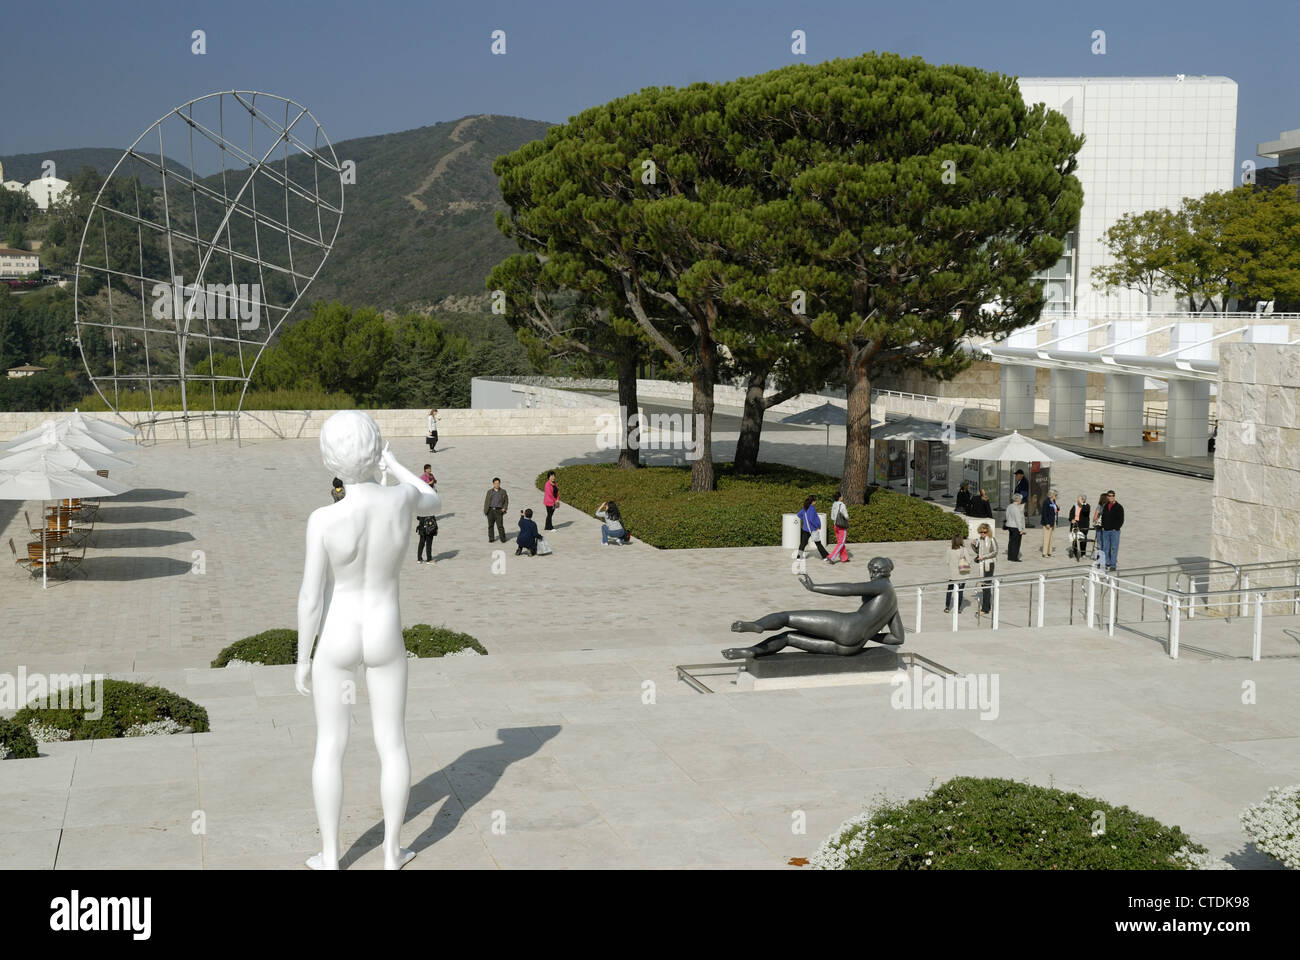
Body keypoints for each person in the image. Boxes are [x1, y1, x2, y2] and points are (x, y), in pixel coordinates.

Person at [295, 411, 441, 871]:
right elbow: (431, 499)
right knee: (392, 744)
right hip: (384, 633)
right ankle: (392, 852)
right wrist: (394, 464)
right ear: (375, 449)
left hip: (338, 636)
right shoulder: (400, 501)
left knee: (329, 747)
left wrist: (303, 657)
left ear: (330, 459)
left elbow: (311, 598)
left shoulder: (323, 518)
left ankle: (331, 856)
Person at [973, 522, 998, 614]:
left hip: (989, 564)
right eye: (981, 532)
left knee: (986, 585)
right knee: (984, 585)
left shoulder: (991, 539)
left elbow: (995, 552)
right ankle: (987, 607)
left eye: (984, 532)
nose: (982, 534)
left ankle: (985, 608)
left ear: (988, 532)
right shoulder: (980, 540)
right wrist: (973, 545)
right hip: (982, 564)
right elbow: (977, 551)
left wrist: (984, 557)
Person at [796, 495, 830, 561]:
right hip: (813, 529)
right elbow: (811, 519)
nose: (816, 502)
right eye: (815, 500)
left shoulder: (805, 508)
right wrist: (817, 526)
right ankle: (825, 556)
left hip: (805, 529)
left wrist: (805, 521)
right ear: (812, 501)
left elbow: (799, 515)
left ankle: (799, 557)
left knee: (803, 543)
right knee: (818, 544)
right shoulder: (812, 508)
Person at [415, 465, 438, 565]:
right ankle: (428, 559)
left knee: (422, 541)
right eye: (428, 468)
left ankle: (420, 558)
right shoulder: (422, 478)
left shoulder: (421, 502)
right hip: (427, 524)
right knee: (427, 542)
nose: (430, 470)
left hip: (423, 523)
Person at [1099, 489, 1125, 573]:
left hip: (1114, 531)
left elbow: (1121, 519)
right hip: (1106, 531)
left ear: (1114, 496)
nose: (1111, 497)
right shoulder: (1105, 506)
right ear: (1107, 497)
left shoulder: (1119, 507)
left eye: (1113, 496)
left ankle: (1113, 565)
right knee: (1105, 548)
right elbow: (1103, 517)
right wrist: (1103, 526)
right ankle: (1107, 563)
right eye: (1109, 496)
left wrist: (1116, 527)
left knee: (1114, 548)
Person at [945, 534, 971, 613]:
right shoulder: (963, 549)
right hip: (962, 574)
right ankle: (959, 608)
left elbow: (947, 562)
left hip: (952, 575)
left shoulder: (949, 549)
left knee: (949, 590)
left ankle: (947, 607)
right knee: (960, 591)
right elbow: (969, 561)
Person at [827, 492, 850, 563]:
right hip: (841, 526)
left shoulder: (834, 504)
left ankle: (844, 558)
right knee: (841, 543)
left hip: (835, 525)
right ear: (840, 497)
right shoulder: (842, 505)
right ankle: (831, 557)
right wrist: (847, 518)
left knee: (840, 542)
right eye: (842, 496)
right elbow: (846, 516)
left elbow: (832, 516)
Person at [483, 477, 508, 543]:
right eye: (495, 483)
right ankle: (491, 538)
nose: (497, 485)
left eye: (498, 483)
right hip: (490, 510)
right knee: (490, 526)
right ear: (493, 484)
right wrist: (486, 511)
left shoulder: (503, 491)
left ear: (499, 483)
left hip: (499, 510)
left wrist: (504, 508)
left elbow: (506, 501)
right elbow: (486, 501)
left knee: (500, 526)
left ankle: (503, 539)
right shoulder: (489, 492)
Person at [1067, 494, 1091, 561]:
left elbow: (1086, 512)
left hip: (1083, 525)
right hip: (1075, 525)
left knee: (1083, 540)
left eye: (1079, 499)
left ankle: (1083, 554)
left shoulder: (1087, 506)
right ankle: (1075, 552)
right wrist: (1071, 519)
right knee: (1074, 540)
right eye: (1078, 499)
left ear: (1083, 500)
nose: (1078, 500)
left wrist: (1082, 504)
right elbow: (1071, 514)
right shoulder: (1075, 506)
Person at [1005, 493, 1025, 561]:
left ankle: (1010, 556)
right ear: (1018, 500)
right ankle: (1014, 557)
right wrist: (1021, 530)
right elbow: (1018, 520)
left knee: (1011, 542)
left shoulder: (1009, 506)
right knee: (1016, 543)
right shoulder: (1016, 508)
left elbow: (1007, 516)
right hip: (1015, 527)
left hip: (1010, 526)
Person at [1040, 489, 1060, 558]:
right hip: (1048, 522)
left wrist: (1058, 507)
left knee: (1051, 538)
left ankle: (1049, 552)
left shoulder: (1053, 501)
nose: (1056, 496)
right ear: (1051, 495)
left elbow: (1055, 509)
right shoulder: (1046, 502)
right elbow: (1044, 514)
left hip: (1053, 521)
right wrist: (1047, 523)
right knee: (1046, 538)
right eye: (1055, 495)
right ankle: (1044, 553)